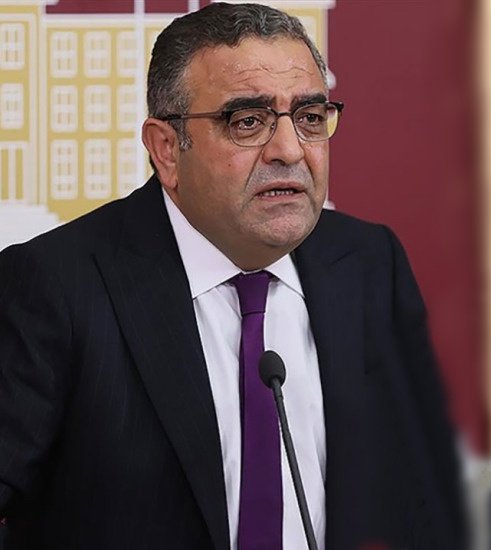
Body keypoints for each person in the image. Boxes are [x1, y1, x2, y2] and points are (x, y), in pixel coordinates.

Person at [0, 3, 464, 548]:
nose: (289, 151)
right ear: (167, 149)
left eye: (310, 118)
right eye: (248, 122)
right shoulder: (54, 286)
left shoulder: (369, 264)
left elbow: (421, 494)